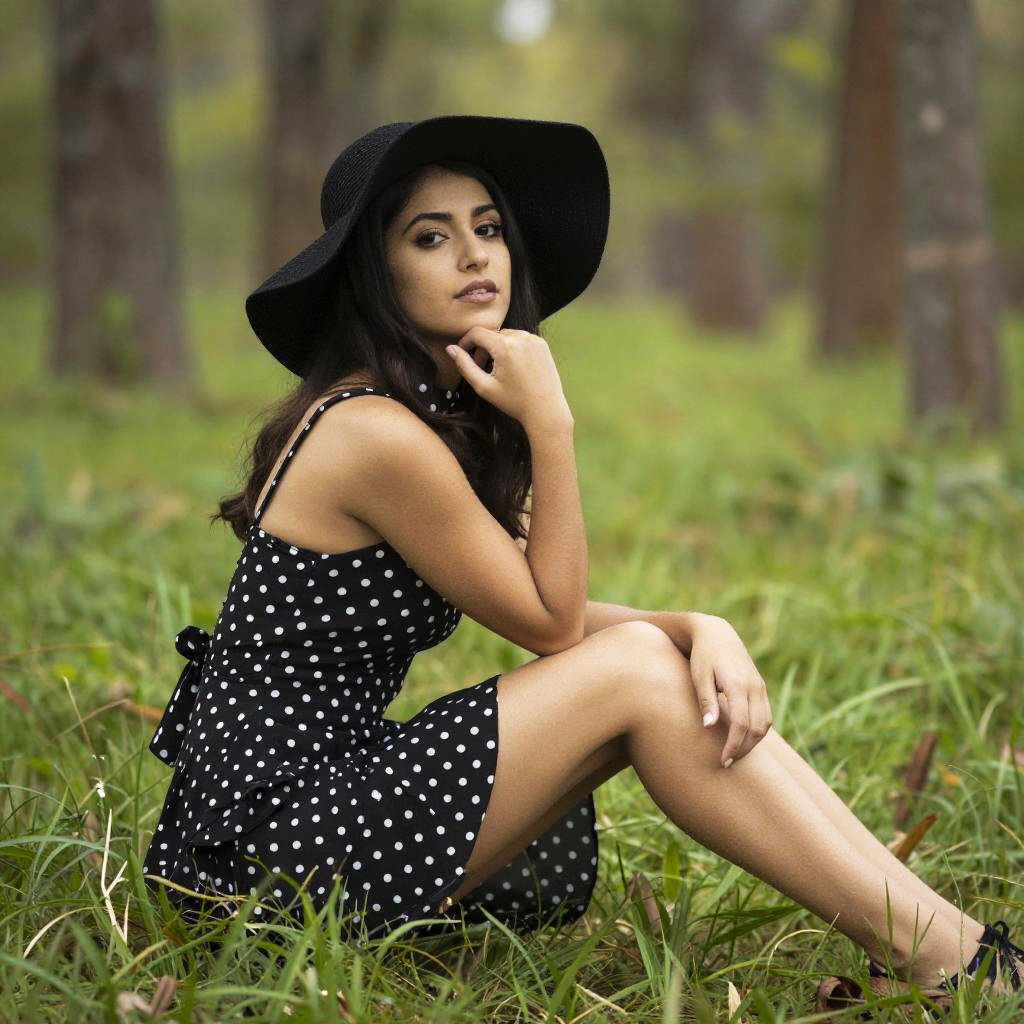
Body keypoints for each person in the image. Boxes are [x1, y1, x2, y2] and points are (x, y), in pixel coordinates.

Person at [142, 115, 1021, 1005]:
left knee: (656, 663)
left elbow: (534, 600)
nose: (474, 255)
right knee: (640, 673)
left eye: (487, 229)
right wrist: (551, 422)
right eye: (430, 237)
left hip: (312, 812)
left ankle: (952, 948)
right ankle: (949, 961)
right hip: (257, 860)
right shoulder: (372, 434)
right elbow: (555, 625)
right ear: (376, 271)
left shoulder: (409, 420)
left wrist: (696, 627)